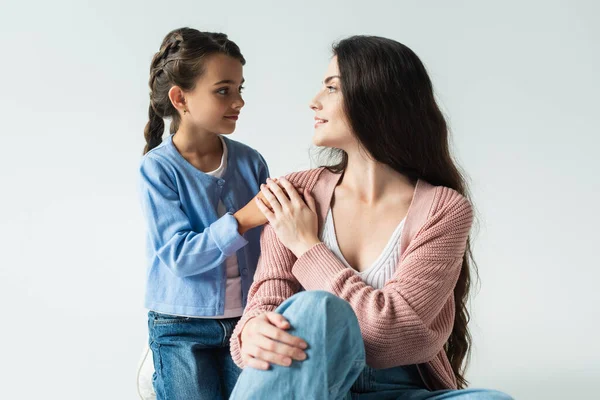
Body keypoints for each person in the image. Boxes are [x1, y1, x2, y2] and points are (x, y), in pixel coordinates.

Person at [229, 35, 513, 399]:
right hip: (315, 383)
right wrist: (251, 330)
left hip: (402, 389)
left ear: (376, 97)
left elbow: (386, 338)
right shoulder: (297, 193)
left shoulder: (443, 209)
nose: (314, 102)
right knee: (315, 309)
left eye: (332, 88)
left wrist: (307, 244)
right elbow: (268, 299)